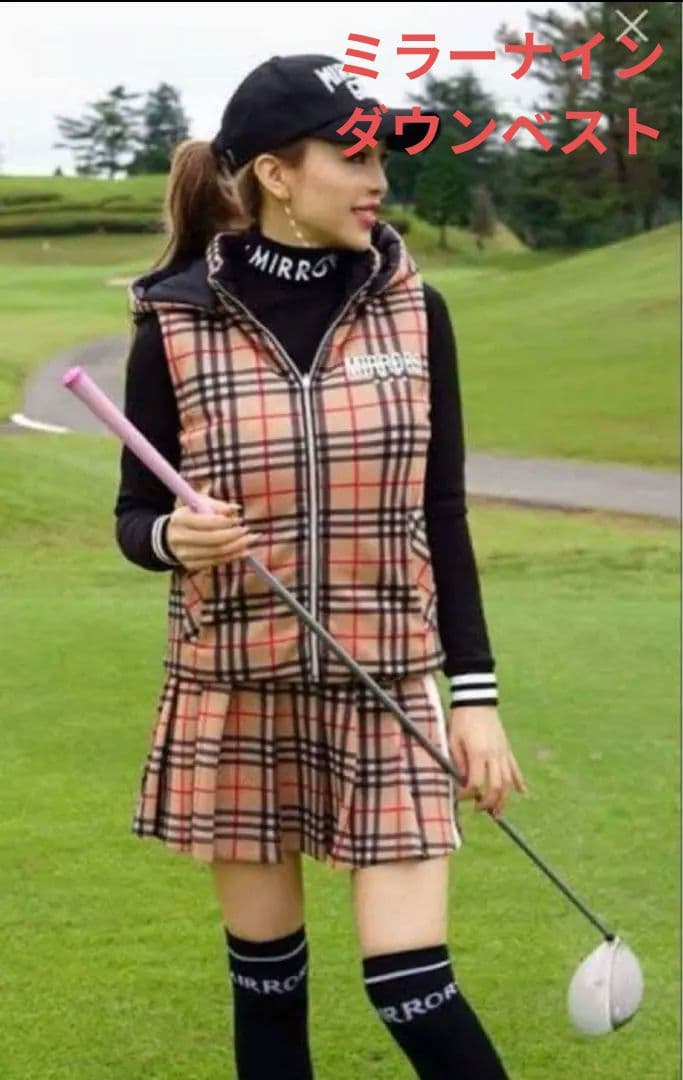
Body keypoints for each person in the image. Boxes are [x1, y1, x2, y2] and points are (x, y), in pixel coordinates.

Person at [114, 52, 528, 1080]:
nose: (377, 177)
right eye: (353, 155)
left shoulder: (414, 311)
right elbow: (134, 517)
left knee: (413, 989)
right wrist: (174, 539)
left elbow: (441, 512)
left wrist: (474, 699)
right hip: (234, 689)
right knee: (268, 995)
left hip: (384, 684)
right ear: (275, 174)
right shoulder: (174, 319)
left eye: (380, 153)